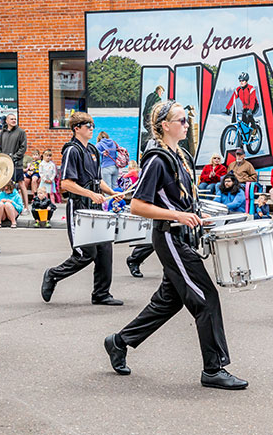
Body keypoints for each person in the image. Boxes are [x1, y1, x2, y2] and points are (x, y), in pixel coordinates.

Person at [103, 100, 247, 390]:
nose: (186, 124)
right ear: (164, 126)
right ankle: (213, 369)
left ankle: (119, 342)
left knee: (167, 302)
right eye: (181, 120)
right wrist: (178, 215)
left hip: (180, 234)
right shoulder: (157, 160)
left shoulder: (179, 155)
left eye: (186, 119)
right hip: (168, 236)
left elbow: (180, 198)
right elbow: (137, 205)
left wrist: (196, 213)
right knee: (205, 298)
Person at [41, 112, 122, 306]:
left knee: (105, 250)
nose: (92, 128)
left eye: (93, 125)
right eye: (88, 125)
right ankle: (52, 275)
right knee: (85, 254)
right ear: (76, 128)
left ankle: (101, 294)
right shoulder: (72, 150)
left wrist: (111, 191)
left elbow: (97, 179)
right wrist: (90, 194)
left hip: (95, 207)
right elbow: (66, 184)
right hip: (78, 208)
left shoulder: (93, 150)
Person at [0, 113, 28, 204]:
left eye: (15, 119)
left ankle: (25, 207)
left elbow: (23, 147)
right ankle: (3, 204)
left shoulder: (21, 132)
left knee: (21, 184)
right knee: (4, 183)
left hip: (16, 163)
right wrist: (1, 156)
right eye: (11, 119)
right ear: (6, 121)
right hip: (5, 164)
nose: (14, 120)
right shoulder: (2, 133)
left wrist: (14, 157)